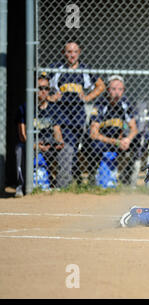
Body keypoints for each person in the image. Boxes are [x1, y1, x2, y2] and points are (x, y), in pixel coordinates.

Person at [48, 41, 106, 188]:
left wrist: (87, 97)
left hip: (78, 116)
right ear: (63, 53)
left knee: (77, 147)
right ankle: (67, 181)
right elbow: (40, 84)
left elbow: (101, 86)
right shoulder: (57, 68)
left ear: (79, 53)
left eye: (74, 52)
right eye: (68, 51)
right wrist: (50, 97)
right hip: (61, 116)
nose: (71, 55)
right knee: (66, 146)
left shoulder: (84, 70)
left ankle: (78, 177)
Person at [15, 73, 64, 197]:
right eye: (39, 88)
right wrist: (35, 146)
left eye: (46, 88)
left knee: (66, 149)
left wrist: (58, 142)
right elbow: (22, 135)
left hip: (48, 142)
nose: (43, 91)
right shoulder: (24, 108)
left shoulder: (54, 108)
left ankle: (60, 185)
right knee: (19, 149)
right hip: (31, 143)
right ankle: (21, 186)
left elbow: (57, 132)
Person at [88, 75, 138, 186]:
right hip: (103, 141)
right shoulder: (101, 104)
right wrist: (116, 142)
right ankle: (94, 174)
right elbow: (93, 134)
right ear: (108, 90)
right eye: (113, 89)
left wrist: (127, 139)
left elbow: (134, 129)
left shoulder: (125, 104)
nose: (117, 93)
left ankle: (126, 178)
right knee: (96, 145)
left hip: (118, 142)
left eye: (120, 89)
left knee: (137, 143)